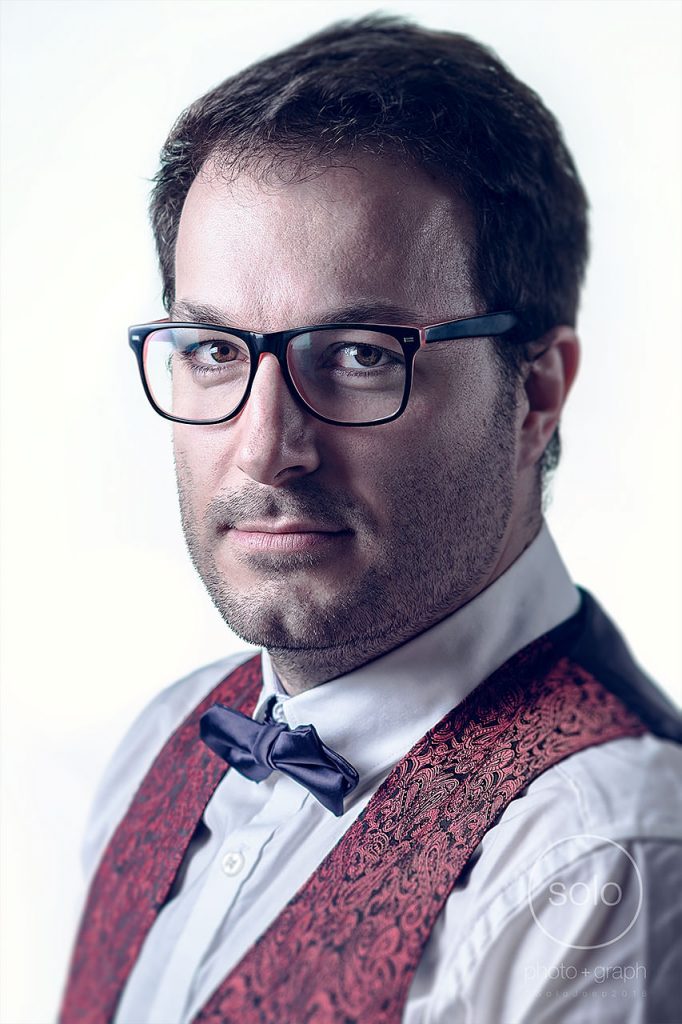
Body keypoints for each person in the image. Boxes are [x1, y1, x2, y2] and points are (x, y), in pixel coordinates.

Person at [59, 15, 682, 1024]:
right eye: (213, 350)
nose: (265, 447)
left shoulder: (604, 856)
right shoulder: (161, 746)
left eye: (357, 353)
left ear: (535, 392)